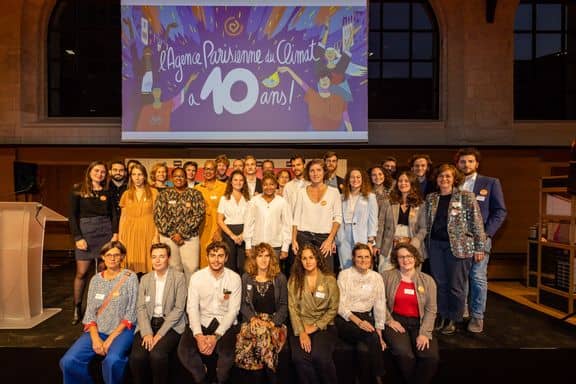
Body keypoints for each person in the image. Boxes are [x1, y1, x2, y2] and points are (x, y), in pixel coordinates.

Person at [417, 164, 485, 335]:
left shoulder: (466, 197)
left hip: (459, 247)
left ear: (454, 178)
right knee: (439, 284)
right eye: (441, 176)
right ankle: (441, 315)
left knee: (456, 285)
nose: (444, 179)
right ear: (436, 179)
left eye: (447, 176)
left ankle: (453, 318)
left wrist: (479, 247)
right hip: (436, 247)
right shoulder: (431, 198)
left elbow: (477, 223)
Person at [60, 241, 138, 384]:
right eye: (108, 255)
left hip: (123, 330)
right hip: (98, 329)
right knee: (68, 361)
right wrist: (96, 338)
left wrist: (110, 339)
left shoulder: (130, 277)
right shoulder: (95, 280)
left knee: (112, 361)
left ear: (122, 257)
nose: (112, 258)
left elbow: (131, 313)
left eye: (116, 255)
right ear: (103, 257)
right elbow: (90, 313)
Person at [455, 148, 507, 333]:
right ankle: (463, 310)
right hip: (458, 239)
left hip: (480, 239)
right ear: (457, 164)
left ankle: (477, 316)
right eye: (462, 161)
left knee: (477, 277)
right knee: (461, 278)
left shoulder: (490, 183)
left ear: (476, 163)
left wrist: (486, 234)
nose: (466, 165)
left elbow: (500, 211)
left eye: (470, 161)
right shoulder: (452, 183)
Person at [178, 241, 242, 384]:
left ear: (226, 258)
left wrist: (216, 336)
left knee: (226, 357)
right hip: (202, 319)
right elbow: (192, 308)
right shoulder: (197, 277)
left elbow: (233, 311)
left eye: (220, 256)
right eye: (213, 255)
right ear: (207, 257)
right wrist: (199, 335)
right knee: (184, 351)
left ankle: (220, 380)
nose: (216, 260)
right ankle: (202, 376)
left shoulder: (234, 278)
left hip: (224, 322)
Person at [129, 243, 187, 384]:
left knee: (157, 355)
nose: (157, 260)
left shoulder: (179, 278)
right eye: (154, 257)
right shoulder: (145, 279)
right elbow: (141, 307)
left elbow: (179, 309)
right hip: (148, 322)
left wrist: (160, 334)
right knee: (137, 356)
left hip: (171, 325)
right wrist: (147, 333)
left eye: (162, 256)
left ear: (168, 258)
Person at [69, 161, 118, 325]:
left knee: (103, 272)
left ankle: (100, 308)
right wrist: (78, 237)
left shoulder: (108, 191)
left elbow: (113, 214)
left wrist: (115, 234)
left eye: (103, 172)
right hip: (86, 234)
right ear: (89, 171)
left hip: (105, 233)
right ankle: (77, 307)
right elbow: (72, 216)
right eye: (97, 171)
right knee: (82, 273)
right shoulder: (78, 190)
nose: (100, 174)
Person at [381, 244, 439, 384]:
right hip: (396, 321)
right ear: (396, 259)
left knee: (430, 356)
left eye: (409, 256)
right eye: (401, 257)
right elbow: (379, 302)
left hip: (419, 322)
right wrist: (389, 320)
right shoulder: (386, 277)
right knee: (404, 353)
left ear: (415, 258)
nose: (405, 260)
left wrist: (424, 333)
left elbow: (431, 310)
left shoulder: (427, 280)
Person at [236, 243, 288, 383]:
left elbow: (284, 306)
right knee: (258, 335)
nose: (264, 259)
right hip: (252, 321)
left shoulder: (280, 278)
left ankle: (265, 376)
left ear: (272, 258)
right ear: (254, 258)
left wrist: (271, 323)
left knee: (263, 334)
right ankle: (269, 373)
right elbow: (243, 304)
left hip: (273, 323)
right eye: (260, 256)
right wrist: (253, 319)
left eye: (267, 256)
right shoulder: (246, 277)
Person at [288, 245, 339, 384]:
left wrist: (316, 326)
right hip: (301, 325)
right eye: (304, 258)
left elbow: (333, 309)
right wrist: (301, 331)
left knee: (320, 357)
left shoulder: (329, 280)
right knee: (300, 358)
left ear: (317, 259)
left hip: (324, 325)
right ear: (300, 261)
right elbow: (292, 308)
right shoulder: (294, 281)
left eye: (311, 257)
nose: (308, 261)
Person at [336, 243, 386, 384]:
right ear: (353, 258)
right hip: (346, 318)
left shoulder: (377, 277)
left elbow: (380, 305)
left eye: (366, 257)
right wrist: (358, 322)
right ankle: (379, 376)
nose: (363, 260)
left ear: (371, 258)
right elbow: (339, 305)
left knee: (363, 349)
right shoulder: (344, 275)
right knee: (371, 337)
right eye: (359, 257)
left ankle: (362, 379)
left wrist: (380, 333)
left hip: (365, 316)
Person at [154, 167, 205, 283]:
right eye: (176, 176)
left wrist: (181, 234)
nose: (179, 178)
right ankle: (177, 299)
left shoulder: (195, 194)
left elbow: (198, 215)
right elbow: (158, 216)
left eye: (181, 176)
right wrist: (173, 234)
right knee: (173, 270)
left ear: (186, 178)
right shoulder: (164, 195)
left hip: (189, 238)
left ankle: (191, 299)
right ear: (172, 178)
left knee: (192, 269)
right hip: (169, 238)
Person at [292, 159, 342, 273]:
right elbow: (296, 218)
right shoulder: (301, 192)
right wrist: (294, 239)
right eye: (312, 171)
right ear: (308, 173)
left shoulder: (334, 192)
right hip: (303, 237)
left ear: (324, 172)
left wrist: (330, 239)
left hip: (324, 239)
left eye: (319, 170)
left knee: (327, 273)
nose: (315, 174)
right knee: (302, 273)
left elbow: (338, 218)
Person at [377, 170, 426, 274]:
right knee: (386, 275)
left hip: (412, 244)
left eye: (406, 181)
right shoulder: (388, 202)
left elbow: (424, 228)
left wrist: (413, 243)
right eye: (400, 181)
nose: (403, 183)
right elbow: (380, 225)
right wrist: (377, 245)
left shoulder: (421, 204)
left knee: (409, 277)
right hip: (389, 244)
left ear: (412, 184)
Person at [119, 163, 159, 273]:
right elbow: (123, 217)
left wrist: (156, 235)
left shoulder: (154, 192)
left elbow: (157, 216)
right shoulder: (126, 194)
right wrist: (121, 236)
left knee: (150, 265)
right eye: (134, 174)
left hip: (148, 231)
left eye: (140, 174)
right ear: (131, 177)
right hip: (130, 233)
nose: (137, 177)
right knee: (130, 266)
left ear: (145, 176)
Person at [336, 168, 378, 269]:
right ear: (348, 180)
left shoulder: (370, 197)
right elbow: (336, 218)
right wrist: (336, 239)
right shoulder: (340, 197)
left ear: (362, 179)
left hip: (361, 236)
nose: (355, 179)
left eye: (358, 177)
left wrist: (370, 241)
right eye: (352, 177)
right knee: (345, 267)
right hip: (343, 237)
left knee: (362, 267)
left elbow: (373, 220)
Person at [244, 173, 292, 261]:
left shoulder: (282, 202)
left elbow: (287, 225)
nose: (268, 187)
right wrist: (248, 244)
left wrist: (285, 247)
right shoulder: (254, 201)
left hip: (275, 246)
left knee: (273, 273)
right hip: (256, 244)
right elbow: (248, 223)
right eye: (265, 184)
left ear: (276, 185)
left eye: (271, 184)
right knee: (256, 273)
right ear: (262, 186)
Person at [195, 160, 227, 269]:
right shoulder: (197, 188)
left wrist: (219, 230)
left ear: (216, 171)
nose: (208, 171)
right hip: (202, 229)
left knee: (218, 256)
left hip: (219, 227)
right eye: (206, 169)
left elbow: (227, 211)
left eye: (211, 169)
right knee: (203, 257)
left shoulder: (224, 187)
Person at [217, 170, 250, 273]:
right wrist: (232, 235)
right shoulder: (224, 198)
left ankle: (243, 288)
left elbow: (251, 220)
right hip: (228, 233)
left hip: (245, 232)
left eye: (241, 180)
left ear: (244, 182)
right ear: (231, 182)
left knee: (243, 266)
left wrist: (243, 235)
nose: (238, 182)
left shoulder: (249, 199)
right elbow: (219, 220)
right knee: (229, 265)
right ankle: (230, 289)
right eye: (235, 180)